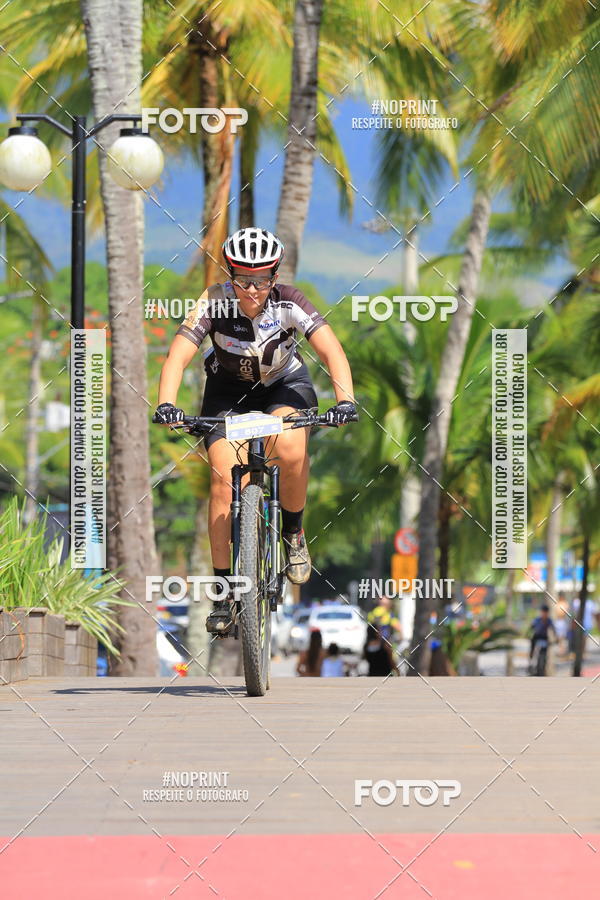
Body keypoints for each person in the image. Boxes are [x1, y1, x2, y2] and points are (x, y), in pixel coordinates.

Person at [154, 228, 357, 635]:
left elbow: (331, 351)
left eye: (262, 280)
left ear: (274, 276)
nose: (252, 290)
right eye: (243, 280)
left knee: (293, 445)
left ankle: (294, 533)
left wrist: (345, 401)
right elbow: (177, 357)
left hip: (285, 387)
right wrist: (167, 404)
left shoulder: (291, 302)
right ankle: (225, 588)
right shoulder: (213, 301)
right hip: (227, 394)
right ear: (230, 276)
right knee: (221, 480)